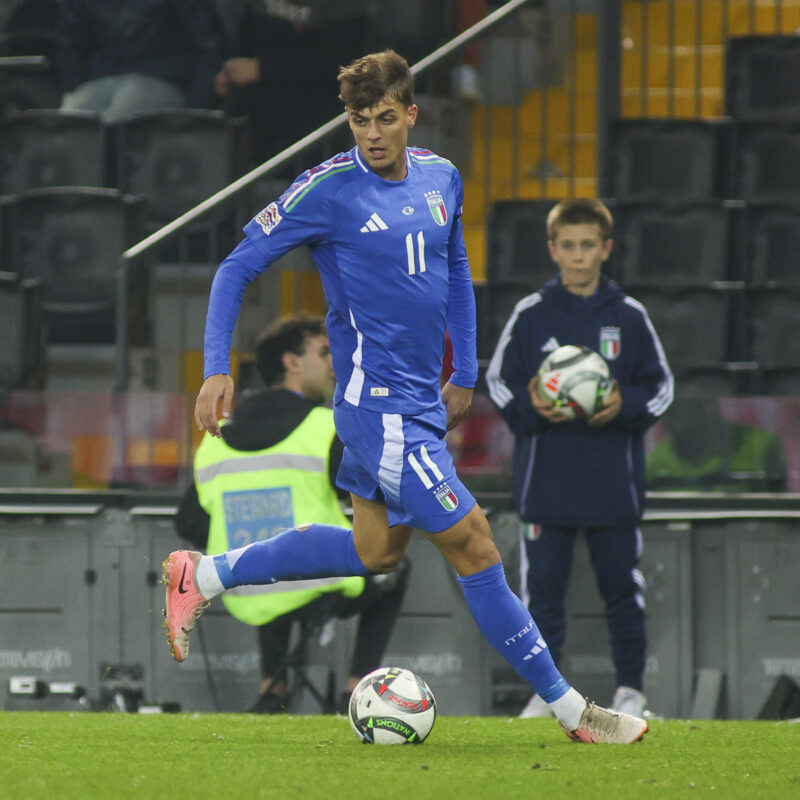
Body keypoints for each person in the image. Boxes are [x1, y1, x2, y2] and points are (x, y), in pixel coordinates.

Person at [162, 49, 648, 743]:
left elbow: (455, 267)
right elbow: (236, 267)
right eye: (359, 120)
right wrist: (216, 368)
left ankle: (203, 575)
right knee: (476, 544)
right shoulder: (326, 190)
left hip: (420, 400)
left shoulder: (441, 177)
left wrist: (464, 372)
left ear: (411, 114)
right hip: (377, 409)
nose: (372, 133)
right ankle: (575, 713)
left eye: (385, 118)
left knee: (374, 553)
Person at [485, 198, 674, 720]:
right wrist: (534, 405)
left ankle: (631, 691)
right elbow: (498, 382)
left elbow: (662, 387)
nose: (578, 255)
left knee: (623, 594)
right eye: (567, 246)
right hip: (546, 487)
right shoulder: (531, 314)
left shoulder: (629, 316)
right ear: (552, 250)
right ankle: (546, 692)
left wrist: (624, 404)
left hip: (614, 486)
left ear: (605, 249)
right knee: (541, 598)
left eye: (587, 245)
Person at [174, 314, 408, 714]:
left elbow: (188, 521)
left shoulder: (214, 440)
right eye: (324, 352)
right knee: (393, 564)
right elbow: (376, 493)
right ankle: (358, 689)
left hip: (246, 592)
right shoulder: (326, 426)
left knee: (260, 553)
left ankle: (274, 686)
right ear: (291, 362)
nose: (336, 362)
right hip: (324, 584)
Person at [214, 0, 370, 166]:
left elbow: (339, 61)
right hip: (256, 116)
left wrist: (263, 67)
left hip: (312, 120)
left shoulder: (345, 7)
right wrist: (231, 71)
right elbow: (245, 36)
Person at [58, 0, 223, 123]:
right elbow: (71, 45)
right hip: (102, 77)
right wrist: (71, 89)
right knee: (71, 124)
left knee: (116, 120)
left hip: (164, 77)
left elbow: (209, 47)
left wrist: (194, 111)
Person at [646, 388, 787, 492]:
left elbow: (782, 515)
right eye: (674, 412)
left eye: (698, 406)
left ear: (715, 410)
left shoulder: (760, 445)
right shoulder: (655, 467)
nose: (678, 422)